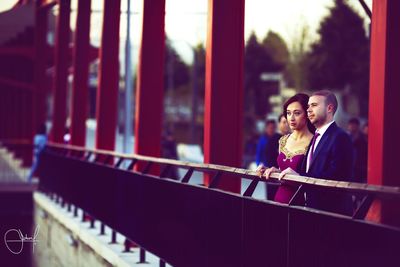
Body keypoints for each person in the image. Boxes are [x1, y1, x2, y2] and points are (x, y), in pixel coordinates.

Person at [278, 90, 354, 215]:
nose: (308, 110)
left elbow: (338, 176)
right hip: (312, 209)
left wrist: (301, 177)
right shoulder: (316, 137)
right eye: (308, 106)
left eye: (314, 105)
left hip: (332, 213)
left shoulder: (340, 137)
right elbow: (309, 171)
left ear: (329, 108)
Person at [257, 93, 314, 203]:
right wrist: (273, 171)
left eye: (297, 113)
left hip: (301, 204)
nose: (291, 118)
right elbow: (284, 173)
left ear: (307, 114)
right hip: (279, 200)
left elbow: (316, 178)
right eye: (288, 113)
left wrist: (298, 177)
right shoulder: (283, 140)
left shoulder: (315, 141)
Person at [347, 118, 368, 183]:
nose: (352, 127)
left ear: (357, 126)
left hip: (360, 168)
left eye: (354, 125)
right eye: (351, 125)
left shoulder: (363, 139)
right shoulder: (345, 138)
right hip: (349, 167)